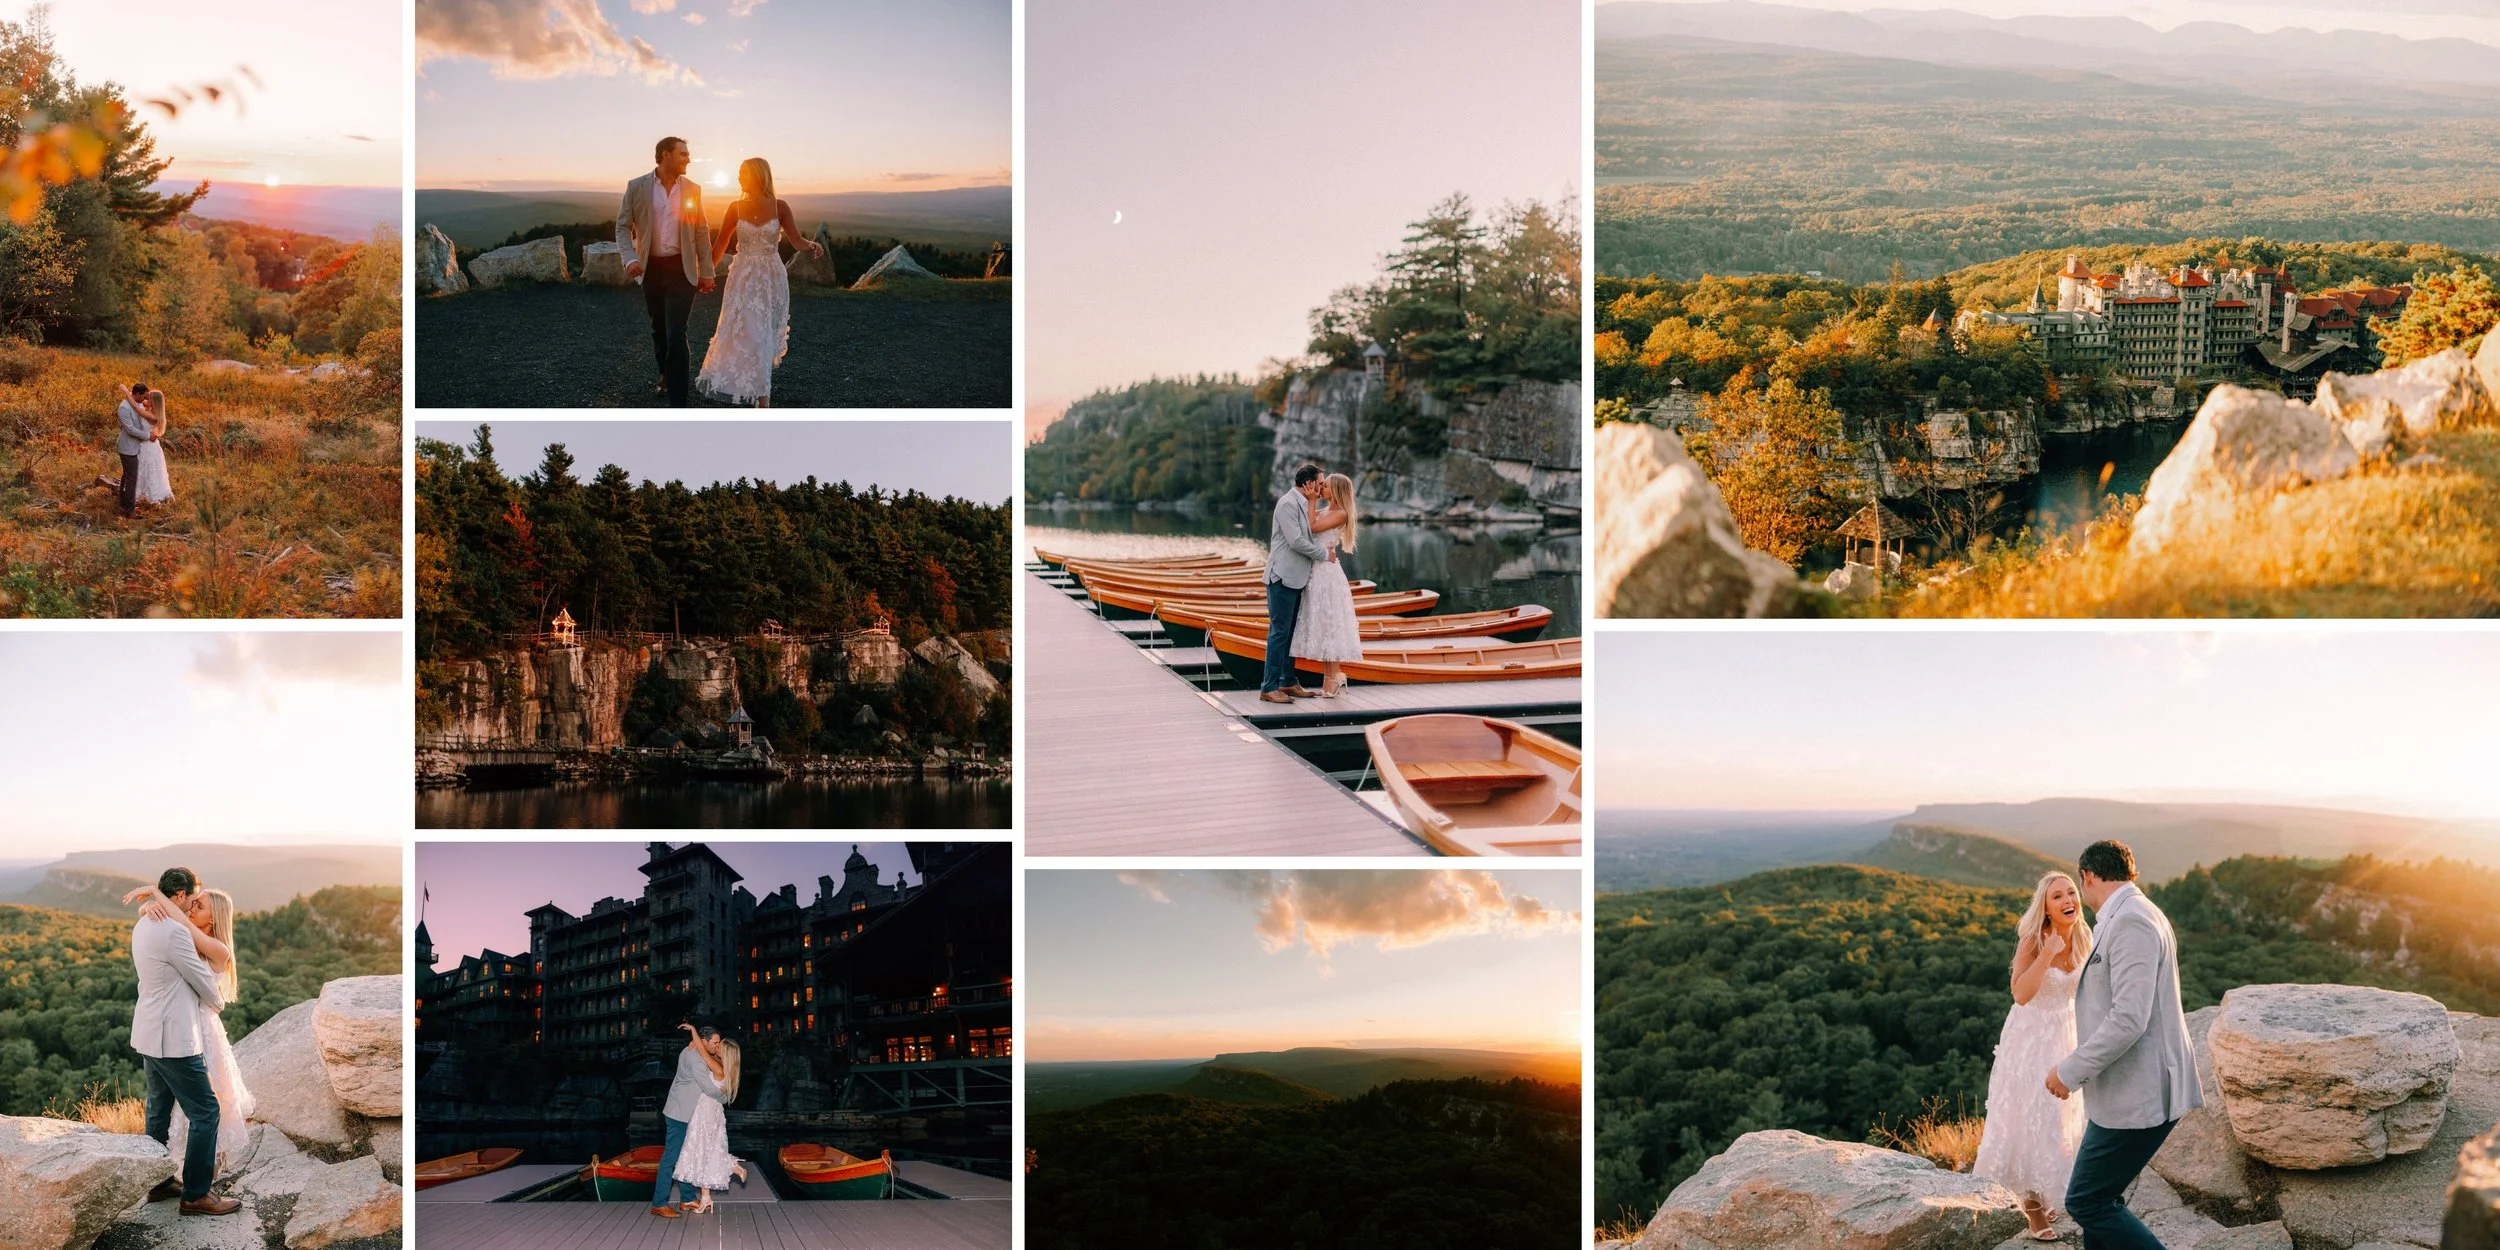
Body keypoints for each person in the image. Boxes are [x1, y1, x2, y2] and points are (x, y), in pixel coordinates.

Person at [2049, 840, 2202, 1250]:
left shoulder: (2132, 920)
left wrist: (2069, 1071)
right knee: (2103, 1197)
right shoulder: (2129, 913)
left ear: (2088, 877)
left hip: (2140, 1092)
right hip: (2126, 1092)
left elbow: (2129, 1017)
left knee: (2087, 1201)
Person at [1973, 871, 2092, 1240]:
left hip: (2068, 1034)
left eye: (2071, 892)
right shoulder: (2033, 939)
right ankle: (2034, 1211)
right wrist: (2048, 955)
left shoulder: (2086, 937)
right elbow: (2020, 994)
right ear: (2045, 906)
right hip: (2031, 1038)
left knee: (2060, 1119)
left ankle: (2049, 1189)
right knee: (2032, 1119)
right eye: (2057, 896)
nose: (2067, 899)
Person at [128, 867, 241, 1216]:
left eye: (199, 905)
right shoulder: (176, 933)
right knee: (206, 1111)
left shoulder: (145, 923)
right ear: (179, 897)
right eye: (192, 900)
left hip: (149, 1032)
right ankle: (195, 1194)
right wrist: (218, 1003)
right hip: (175, 1036)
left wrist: (149, 902)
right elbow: (202, 984)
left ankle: (159, 1182)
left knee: (158, 1110)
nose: (191, 908)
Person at [696, 157, 823, 407]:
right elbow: (720, 244)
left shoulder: (781, 207)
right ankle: (744, 385)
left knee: (763, 332)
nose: (739, 178)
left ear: (758, 175)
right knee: (744, 331)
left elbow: (795, 240)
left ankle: (762, 396)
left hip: (771, 277)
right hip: (742, 276)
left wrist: (812, 245)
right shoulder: (735, 207)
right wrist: (703, 271)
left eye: (744, 173)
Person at [617, 136, 716, 407]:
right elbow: (622, 227)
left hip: (681, 270)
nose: (689, 159)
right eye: (683, 154)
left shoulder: (693, 190)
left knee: (676, 333)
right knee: (658, 331)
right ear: (665, 155)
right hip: (650, 269)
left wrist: (707, 270)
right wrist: (629, 258)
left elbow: (701, 231)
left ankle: (678, 401)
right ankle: (665, 373)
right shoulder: (636, 187)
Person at [1259, 463, 1335, 704]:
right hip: (1281, 576)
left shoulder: (1304, 503)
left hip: (1298, 578)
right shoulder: (1287, 504)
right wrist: (1324, 554)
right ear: (1309, 483)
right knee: (1279, 633)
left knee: (1291, 632)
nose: (1322, 488)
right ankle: (1268, 687)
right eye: (1320, 483)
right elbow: (1296, 542)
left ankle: (1288, 681)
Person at [1290, 472, 1363, 697]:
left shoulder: (1340, 513)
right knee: (1322, 625)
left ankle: (1333, 679)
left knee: (1331, 624)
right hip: (1316, 571)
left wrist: (1312, 500)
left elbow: (1312, 528)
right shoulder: (1326, 510)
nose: (1322, 489)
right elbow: (1306, 524)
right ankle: (1330, 680)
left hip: (1327, 574)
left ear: (1337, 491)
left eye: (1326, 487)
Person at [649, 1023, 730, 1218]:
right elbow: (710, 1089)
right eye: (715, 1043)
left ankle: (686, 1199)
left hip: (681, 1109)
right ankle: (659, 1203)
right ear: (704, 1041)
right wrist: (725, 1098)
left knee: (684, 1155)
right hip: (680, 1114)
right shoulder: (698, 1061)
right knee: (671, 1158)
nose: (717, 1047)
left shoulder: (690, 1049)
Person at [671, 1031, 747, 1213]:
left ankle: (731, 1166)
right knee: (706, 1151)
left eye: (720, 1046)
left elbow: (703, 1052)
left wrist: (693, 1032)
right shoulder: (725, 1067)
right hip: (713, 1113)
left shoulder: (718, 1068)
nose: (716, 1047)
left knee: (701, 1150)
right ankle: (706, 1198)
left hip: (705, 1113)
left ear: (725, 1053)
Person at [133, 387, 174, 507]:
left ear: (154, 401)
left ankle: (149, 495)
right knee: (147, 470)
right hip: (151, 445)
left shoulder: (151, 415)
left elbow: (136, 408)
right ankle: (144, 494)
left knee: (147, 470)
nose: (146, 399)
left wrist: (126, 392)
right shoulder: (153, 411)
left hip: (147, 446)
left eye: (148, 398)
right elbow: (140, 402)